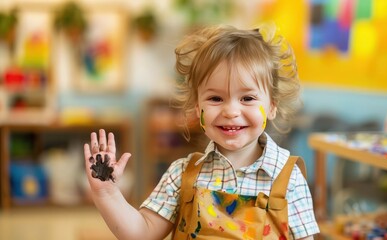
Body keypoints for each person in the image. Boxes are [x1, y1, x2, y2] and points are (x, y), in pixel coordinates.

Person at [84, 25, 319, 239]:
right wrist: (108, 194)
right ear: (198, 107)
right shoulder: (182, 175)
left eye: (247, 98)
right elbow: (140, 233)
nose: (231, 111)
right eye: (216, 98)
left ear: (272, 105)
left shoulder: (289, 180)